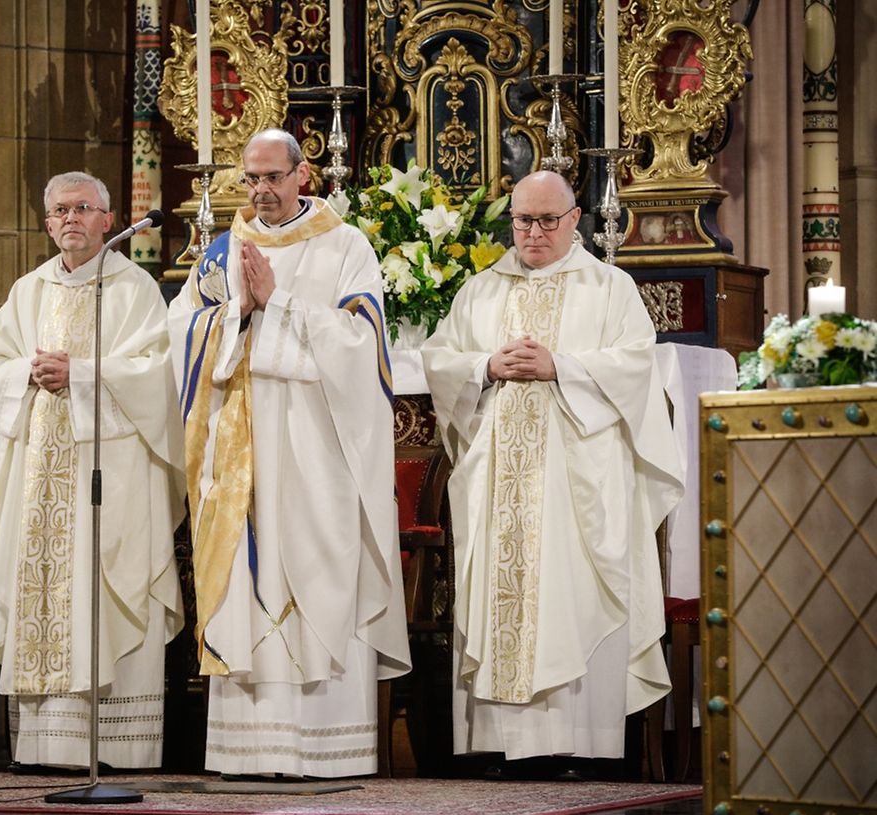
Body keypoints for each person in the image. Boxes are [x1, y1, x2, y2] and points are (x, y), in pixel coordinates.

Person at [421, 170, 684, 778]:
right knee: (502, 593)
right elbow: (440, 359)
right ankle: (503, 745)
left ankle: (577, 745)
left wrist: (561, 367)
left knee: (570, 594)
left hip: (577, 481)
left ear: (574, 221)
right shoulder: (480, 292)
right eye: (521, 221)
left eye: (546, 221)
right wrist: (485, 365)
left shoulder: (609, 288)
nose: (532, 233)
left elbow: (635, 367)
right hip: (497, 482)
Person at [168, 129, 411, 779]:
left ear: (305, 176)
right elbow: (181, 332)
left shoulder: (345, 246)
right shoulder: (222, 252)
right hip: (241, 455)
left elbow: (366, 350)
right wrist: (233, 317)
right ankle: (250, 750)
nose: (260, 191)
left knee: (316, 574)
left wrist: (280, 304)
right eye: (250, 179)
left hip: (316, 452)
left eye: (272, 177)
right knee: (246, 584)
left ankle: (323, 747)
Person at [0, 171, 185, 771]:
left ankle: (114, 748)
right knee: (41, 583)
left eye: (83, 209)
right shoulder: (27, 291)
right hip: (39, 474)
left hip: (109, 473)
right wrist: (27, 374)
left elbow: (156, 373)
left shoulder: (134, 288)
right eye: (60, 210)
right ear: (46, 223)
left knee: (106, 576)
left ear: (108, 220)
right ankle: (42, 746)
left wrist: (82, 376)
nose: (71, 220)